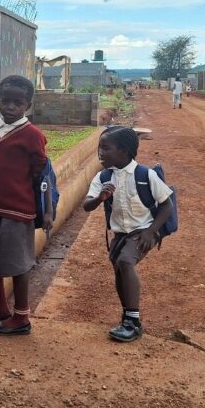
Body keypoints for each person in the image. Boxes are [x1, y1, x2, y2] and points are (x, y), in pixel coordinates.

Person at [0, 75, 48, 336]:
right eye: (5, 101)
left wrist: (39, 206)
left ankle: (22, 317)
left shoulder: (33, 135)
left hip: (18, 210)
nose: (10, 107)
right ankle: (1, 308)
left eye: (18, 103)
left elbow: (40, 172)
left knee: (18, 264)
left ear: (27, 104)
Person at [82, 127, 173, 343]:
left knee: (125, 262)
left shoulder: (145, 175)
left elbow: (167, 205)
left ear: (124, 151)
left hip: (143, 231)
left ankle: (133, 322)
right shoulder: (103, 176)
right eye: (99, 147)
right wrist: (100, 198)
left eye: (106, 148)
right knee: (119, 271)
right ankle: (127, 317)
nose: (100, 153)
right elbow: (87, 205)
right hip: (121, 233)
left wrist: (152, 232)